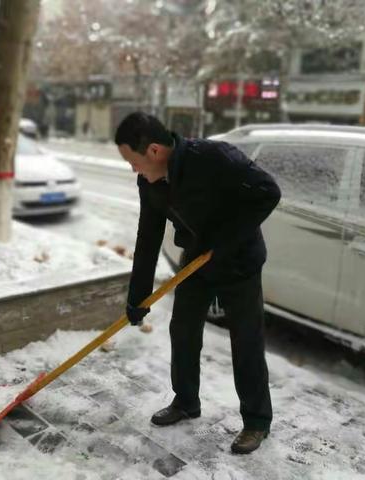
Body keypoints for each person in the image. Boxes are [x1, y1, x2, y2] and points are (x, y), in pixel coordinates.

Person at [115, 112, 281, 454]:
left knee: (246, 341)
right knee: (184, 330)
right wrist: (138, 298)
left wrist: (224, 242)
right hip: (196, 260)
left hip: (239, 260)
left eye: (133, 161)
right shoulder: (150, 182)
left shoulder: (214, 158)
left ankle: (257, 421)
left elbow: (268, 192)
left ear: (155, 151)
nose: (133, 170)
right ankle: (186, 401)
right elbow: (148, 236)